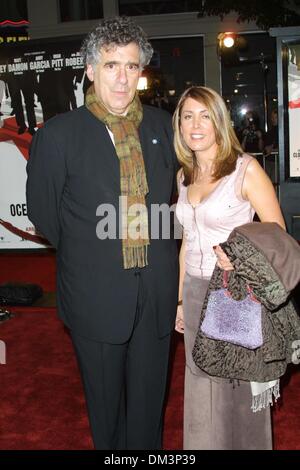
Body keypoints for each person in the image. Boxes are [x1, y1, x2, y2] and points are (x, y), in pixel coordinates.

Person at [26, 16, 178, 450]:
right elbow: (45, 214)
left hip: (157, 290)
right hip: (94, 295)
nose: (122, 77)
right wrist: (92, 252)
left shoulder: (162, 127)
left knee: (151, 407)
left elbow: (170, 205)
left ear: (141, 72)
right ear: (90, 70)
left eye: (131, 66)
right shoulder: (58, 135)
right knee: (106, 411)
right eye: (111, 65)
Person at [173, 86, 285, 450]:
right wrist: (178, 301)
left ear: (219, 121)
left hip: (233, 294)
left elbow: (277, 233)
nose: (196, 125)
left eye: (205, 115)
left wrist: (239, 256)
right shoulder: (183, 175)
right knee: (199, 382)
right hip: (193, 290)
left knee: (234, 387)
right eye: (188, 116)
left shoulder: (244, 169)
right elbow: (187, 242)